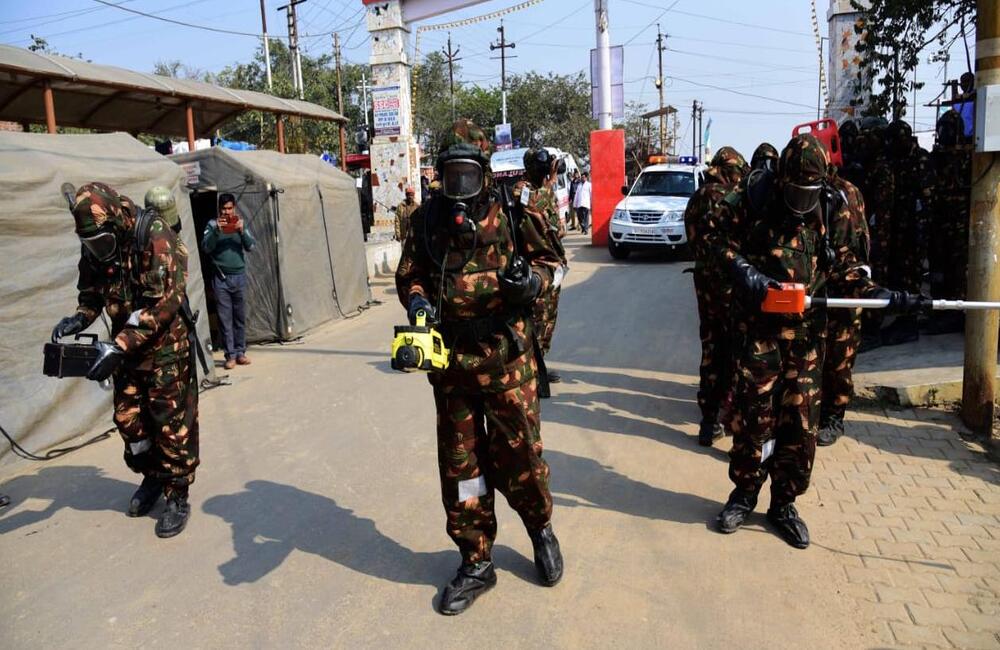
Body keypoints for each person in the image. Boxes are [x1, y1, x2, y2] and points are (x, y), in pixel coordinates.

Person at [708, 134, 921, 548]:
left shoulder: (830, 207)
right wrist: (748, 274)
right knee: (755, 420)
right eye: (795, 192)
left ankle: (784, 504)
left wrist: (876, 293)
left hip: (807, 338)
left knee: (801, 422)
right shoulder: (752, 201)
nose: (800, 202)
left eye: (809, 193)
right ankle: (744, 494)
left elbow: (845, 267)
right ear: (782, 179)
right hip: (761, 335)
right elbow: (718, 247)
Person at [396, 118, 564, 615]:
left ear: (485, 173)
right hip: (451, 367)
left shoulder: (514, 211)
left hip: (507, 360)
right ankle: (476, 559)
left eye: (468, 175)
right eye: (451, 176)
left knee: (522, 459)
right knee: (461, 467)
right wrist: (419, 305)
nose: (459, 188)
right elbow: (412, 275)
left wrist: (530, 284)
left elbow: (553, 263)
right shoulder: (427, 221)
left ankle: (540, 528)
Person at [50, 182, 200, 537]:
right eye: (89, 244)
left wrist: (117, 346)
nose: (96, 250)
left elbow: (161, 305)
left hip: (165, 347)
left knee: (169, 422)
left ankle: (177, 493)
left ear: (116, 223)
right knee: (128, 418)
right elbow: (92, 292)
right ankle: (152, 475)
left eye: (100, 242)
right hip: (127, 348)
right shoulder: (96, 245)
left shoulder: (155, 237)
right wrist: (80, 317)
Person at [683, 145, 749, 447]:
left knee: (711, 354)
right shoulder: (731, 198)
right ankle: (735, 430)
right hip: (730, 288)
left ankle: (708, 423)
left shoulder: (697, 197)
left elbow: (692, 239)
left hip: (704, 285)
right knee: (736, 356)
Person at [818, 156, 871, 447]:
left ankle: (833, 417)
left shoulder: (845, 193)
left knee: (840, 356)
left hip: (845, 286)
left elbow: (854, 245)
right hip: (817, 286)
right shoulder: (802, 192)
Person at [517, 148, 568, 386]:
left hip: (551, 267)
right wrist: (552, 184)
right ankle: (530, 371)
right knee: (536, 320)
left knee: (548, 319)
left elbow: (560, 229)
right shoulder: (522, 190)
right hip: (533, 269)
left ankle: (539, 366)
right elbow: (535, 207)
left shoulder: (545, 191)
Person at [883, 119, 935, 346]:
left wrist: (921, 234)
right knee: (900, 275)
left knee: (912, 276)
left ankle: (910, 322)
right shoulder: (897, 160)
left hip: (916, 231)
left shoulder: (920, 159)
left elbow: (927, 199)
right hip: (900, 229)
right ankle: (904, 317)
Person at [927, 109, 971, 334]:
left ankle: (955, 312)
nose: (943, 132)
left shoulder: (968, 158)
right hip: (938, 222)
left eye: (948, 128)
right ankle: (939, 309)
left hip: (960, 225)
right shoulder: (936, 158)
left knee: (957, 270)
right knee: (938, 269)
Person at [202, 193, 256, 370]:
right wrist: (217, 231)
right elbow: (206, 247)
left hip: (238, 276)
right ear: (219, 209)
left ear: (234, 208)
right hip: (221, 278)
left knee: (239, 317)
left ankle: (240, 353)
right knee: (225, 319)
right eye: (224, 209)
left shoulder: (239, 223)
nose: (227, 212)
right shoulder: (212, 225)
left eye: (230, 208)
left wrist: (242, 231)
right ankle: (230, 355)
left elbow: (251, 246)